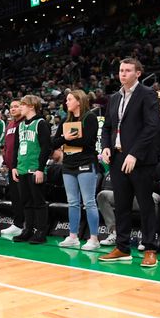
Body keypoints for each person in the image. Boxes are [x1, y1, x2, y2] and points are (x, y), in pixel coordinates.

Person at [98, 58, 159, 267]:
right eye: (121, 70)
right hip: (117, 158)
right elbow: (107, 126)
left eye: (127, 70)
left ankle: (150, 248)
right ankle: (123, 248)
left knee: (145, 204)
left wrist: (134, 154)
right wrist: (105, 146)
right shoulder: (114, 97)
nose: (123, 74)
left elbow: (151, 127)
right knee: (122, 205)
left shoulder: (147, 94)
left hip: (140, 160)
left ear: (138, 73)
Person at [51, 90, 101, 250]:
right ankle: (73, 236)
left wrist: (68, 139)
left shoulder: (90, 118)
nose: (66, 102)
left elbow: (88, 141)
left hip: (86, 163)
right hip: (68, 165)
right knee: (72, 202)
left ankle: (94, 238)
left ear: (79, 101)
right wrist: (67, 138)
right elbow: (54, 142)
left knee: (89, 202)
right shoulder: (65, 120)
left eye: (69, 99)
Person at [12, 95, 52, 244]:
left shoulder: (41, 123)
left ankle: (41, 231)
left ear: (31, 106)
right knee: (26, 202)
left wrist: (41, 168)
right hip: (22, 169)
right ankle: (28, 229)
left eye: (22, 105)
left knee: (38, 202)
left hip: (35, 169)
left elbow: (46, 147)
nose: (19, 108)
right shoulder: (20, 126)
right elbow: (16, 147)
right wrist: (14, 166)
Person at [0, 100, 25, 236]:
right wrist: (5, 162)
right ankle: (17, 224)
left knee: (23, 197)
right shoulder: (9, 124)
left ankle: (26, 225)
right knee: (15, 197)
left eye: (16, 106)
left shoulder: (24, 123)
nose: (13, 109)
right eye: (11, 107)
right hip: (11, 167)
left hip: (21, 167)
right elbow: (7, 146)